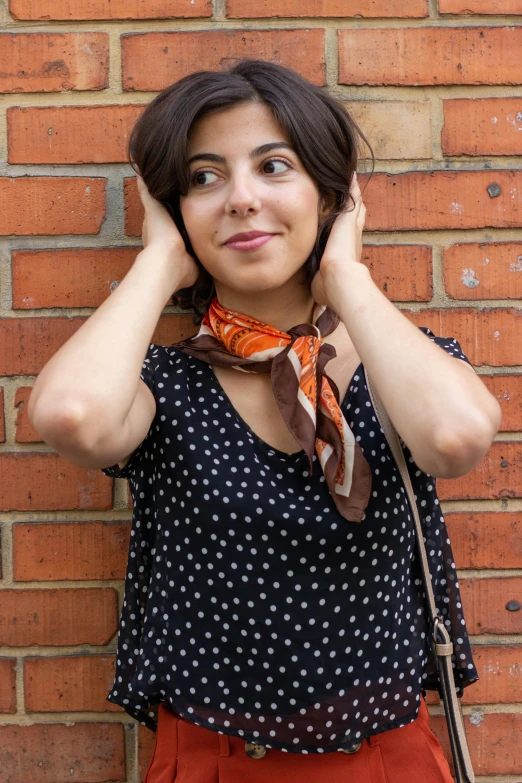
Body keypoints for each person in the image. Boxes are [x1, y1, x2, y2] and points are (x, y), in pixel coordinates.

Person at [28, 59, 501, 782]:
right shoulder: (163, 382)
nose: (241, 199)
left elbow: (457, 437)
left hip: (384, 760)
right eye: (203, 178)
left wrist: (346, 276)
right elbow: (71, 415)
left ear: (330, 194)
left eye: (273, 166)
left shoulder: (399, 362)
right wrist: (158, 260)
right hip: (212, 760)